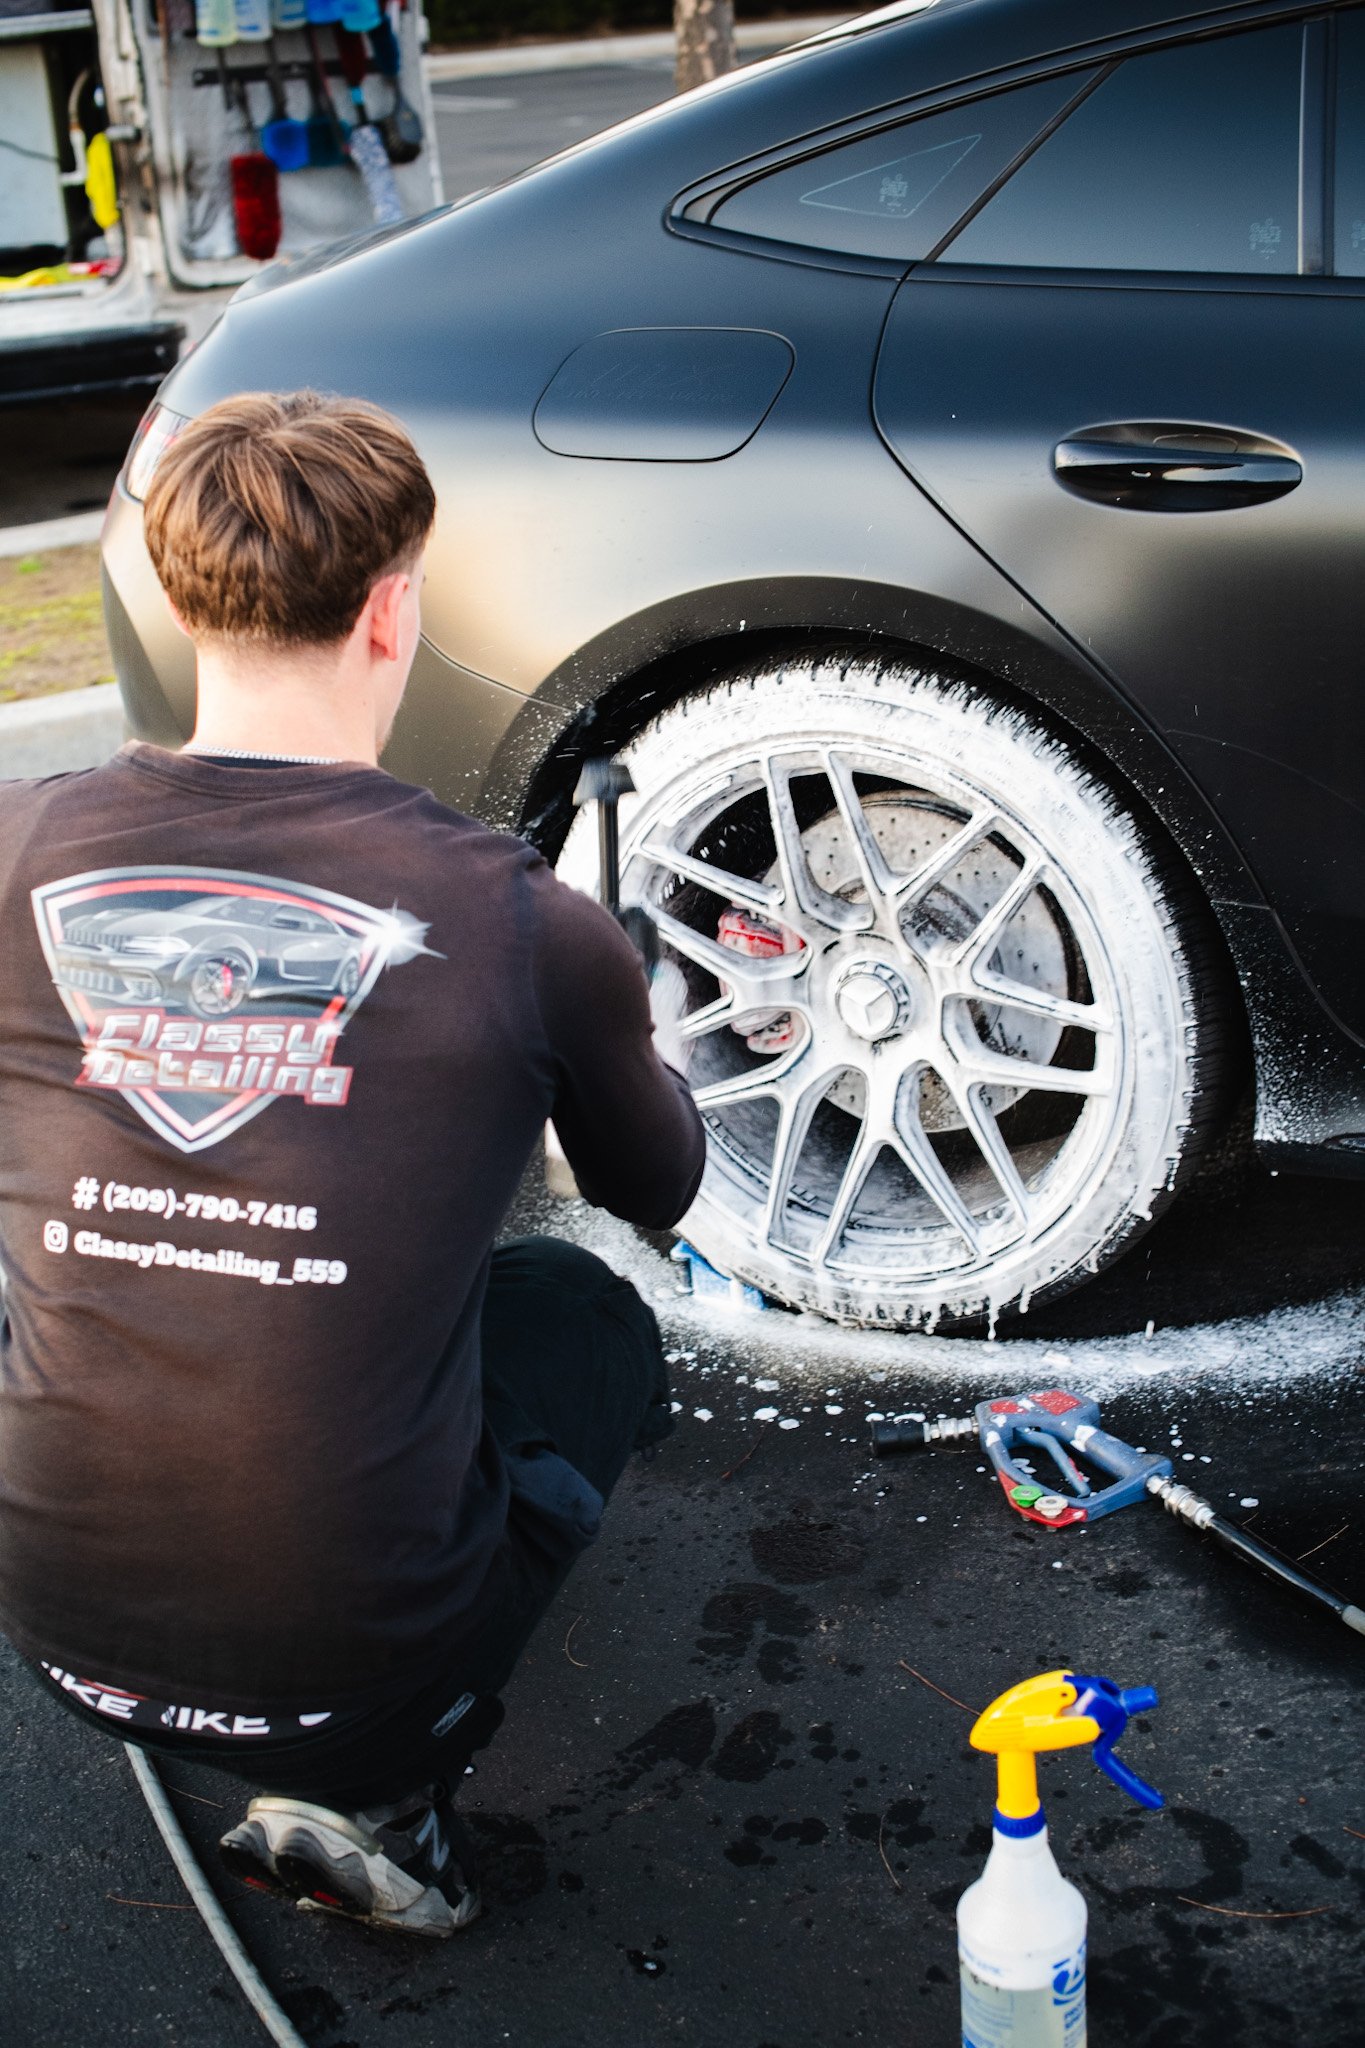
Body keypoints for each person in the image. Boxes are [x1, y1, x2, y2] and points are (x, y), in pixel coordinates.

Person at [0, 391, 705, 1938]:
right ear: (392, 610)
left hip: (58, 1643)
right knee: (581, 1317)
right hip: (358, 1672)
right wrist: (624, 1014)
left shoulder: (12, 848)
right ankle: (388, 1790)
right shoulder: (526, 923)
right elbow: (657, 1191)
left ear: (181, 602)